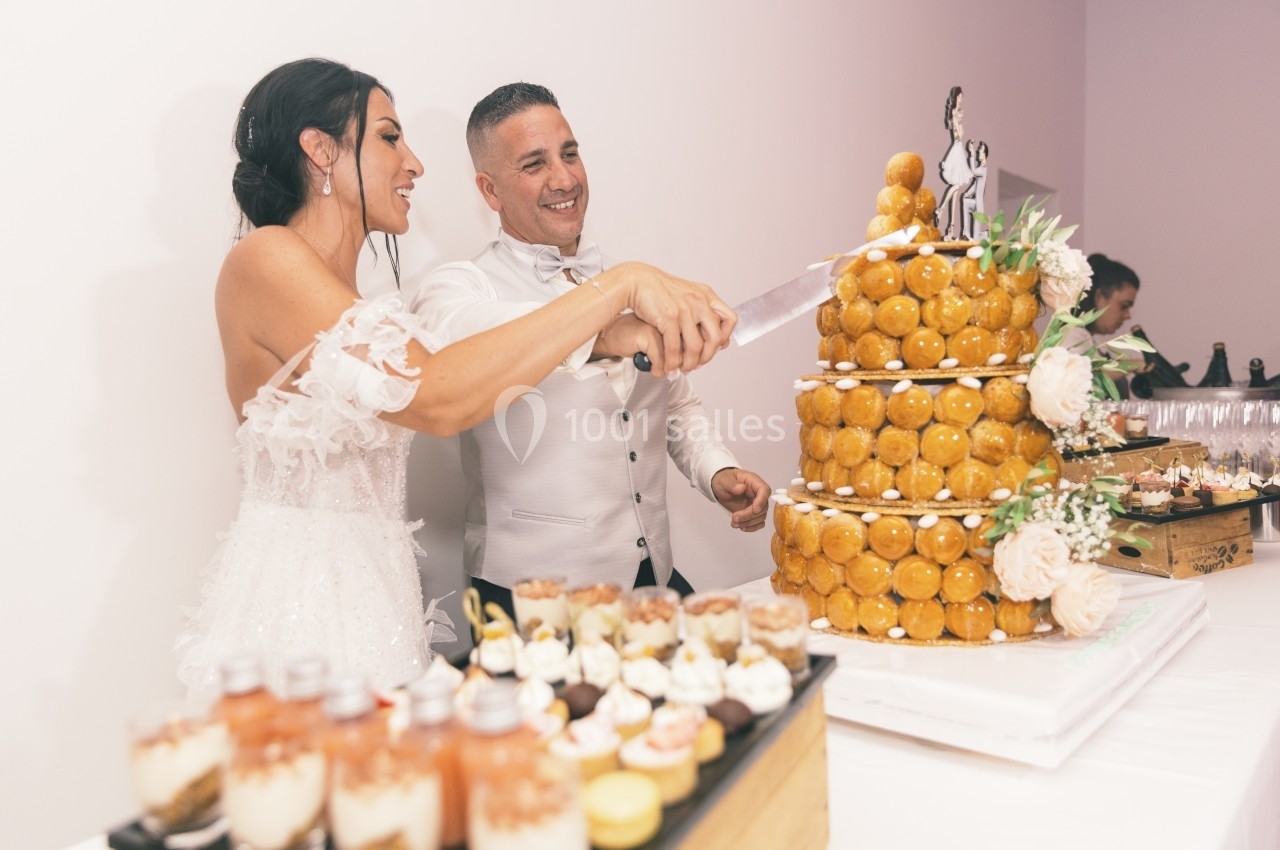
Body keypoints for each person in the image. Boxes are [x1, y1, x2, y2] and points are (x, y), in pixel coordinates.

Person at [175, 60, 736, 695]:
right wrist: (620, 290)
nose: (414, 164)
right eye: (389, 137)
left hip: (380, 601)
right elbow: (437, 394)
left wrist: (619, 324)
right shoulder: (266, 256)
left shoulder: (353, 303)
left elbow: (456, 373)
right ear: (319, 149)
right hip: (303, 611)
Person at [411, 82, 771, 617]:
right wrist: (611, 323)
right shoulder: (456, 289)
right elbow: (466, 346)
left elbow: (674, 406)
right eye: (534, 164)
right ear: (490, 191)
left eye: (570, 154)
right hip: (532, 601)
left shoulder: (627, 284)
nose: (564, 179)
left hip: (655, 579)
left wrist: (716, 471)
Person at [1062, 253, 1141, 396]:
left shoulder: (1089, 340)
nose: (1127, 315)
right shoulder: (1070, 336)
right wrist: (1131, 365)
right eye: (1124, 306)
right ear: (1098, 296)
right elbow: (1080, 380)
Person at [936, 86, 971, 241]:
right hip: (956, 149)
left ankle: (951, 228)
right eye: (959, 97)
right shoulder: (955, 114)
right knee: (956, 185)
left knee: (957, 191)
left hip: (958, 148)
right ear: (956, 97)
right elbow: (960, 134)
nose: (961, 100)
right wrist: (959, 123)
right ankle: (941, 209)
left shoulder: (956, 114)